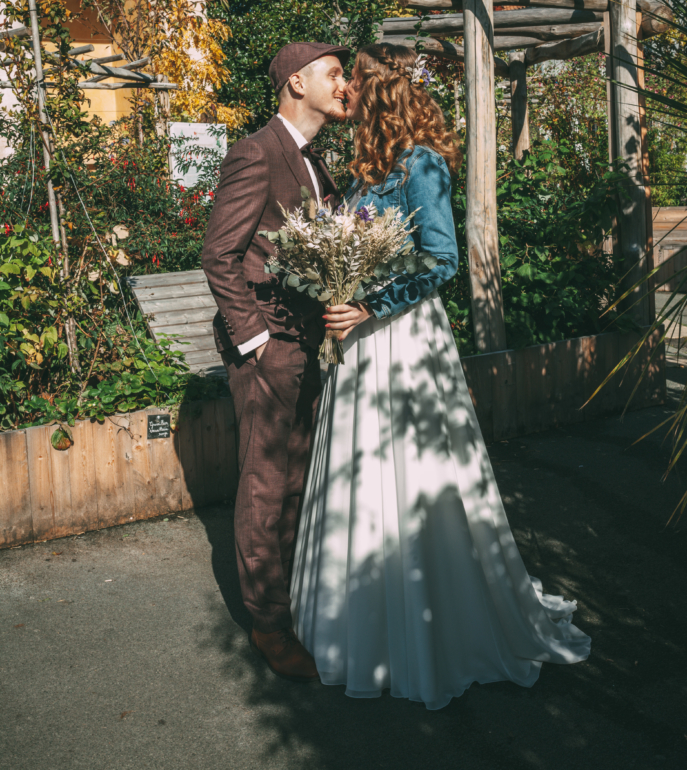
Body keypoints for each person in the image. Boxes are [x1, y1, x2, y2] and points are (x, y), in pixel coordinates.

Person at [290, 43, 591, 710]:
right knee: (362, 474)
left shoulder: (419, 163)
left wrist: (368, 305)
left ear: (377, 92)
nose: (344, 89)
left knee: (412, 471)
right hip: (359, 346)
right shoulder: (366, 170)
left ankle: (431, 626)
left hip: (400, 342)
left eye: (351, 80)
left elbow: (441, 260)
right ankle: (362, 622)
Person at [202, 41, 348, 682]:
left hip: (308, 341)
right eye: (335, 74)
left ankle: (293, 604)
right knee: (265, 484)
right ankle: (268, 625)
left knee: (296, 480)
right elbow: (219, 255)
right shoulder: (256, 153)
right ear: (296, 83)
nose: (345, 85)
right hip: (269, 347)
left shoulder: (317, 162)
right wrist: (254, 339)